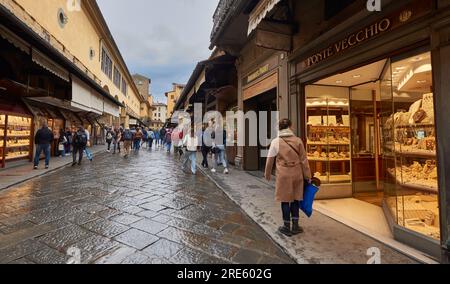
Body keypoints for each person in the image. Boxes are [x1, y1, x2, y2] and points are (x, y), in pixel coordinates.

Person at [264, 119, 312, 237]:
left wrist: (267, 174)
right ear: (290, 127)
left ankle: (286, 226)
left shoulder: (276, 142)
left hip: (283, 174)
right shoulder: (298, 141)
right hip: (297, 173)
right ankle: (295, 226)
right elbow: (304, 160)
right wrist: (308, 175)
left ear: (279, 128)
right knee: (296, 199)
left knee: (285, 200)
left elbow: (270, 159)